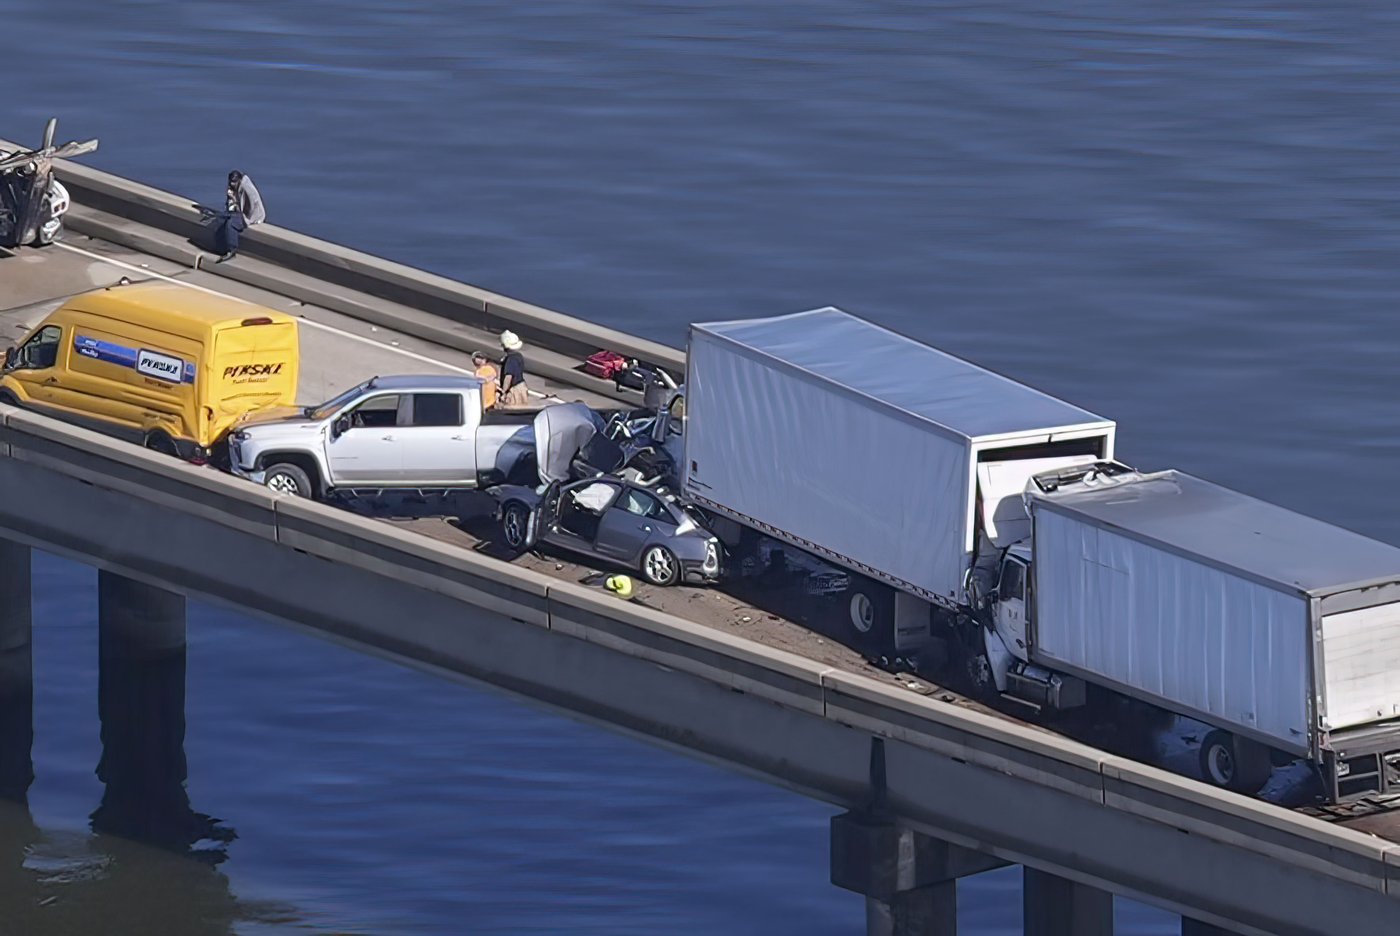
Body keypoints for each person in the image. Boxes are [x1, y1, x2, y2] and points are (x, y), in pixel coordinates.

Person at [215, 170, 266, 262]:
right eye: (231, 181)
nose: (232, 183)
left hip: (251, 216)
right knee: (220, 220)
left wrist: (246, 218)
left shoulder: (247, 187)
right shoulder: (231, 187)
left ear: (239, 180)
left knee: (231, 224)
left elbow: (254, 204)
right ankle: (220, 247)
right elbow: (230, 204)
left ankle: (232, 250)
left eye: (234, 182)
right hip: (238, 212)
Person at [497, 330, 529, 408]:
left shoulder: (510, 359)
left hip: (514, 390)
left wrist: (503, 392)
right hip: (522, 386)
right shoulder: (519, 356)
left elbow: (508, 377)